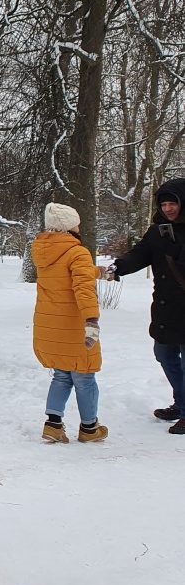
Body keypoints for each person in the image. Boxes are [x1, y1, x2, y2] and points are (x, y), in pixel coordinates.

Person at [109, 179, 185, 434]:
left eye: (172, 203)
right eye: (163, 204)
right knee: (164, 355)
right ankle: (182, 403)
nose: (168, 208)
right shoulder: (158, 230)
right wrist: (119, 266)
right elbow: (141, 253)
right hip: (165, 307)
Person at [32, 203, 107, 443]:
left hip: (49, 325)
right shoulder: (77, 252)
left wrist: (96, 271)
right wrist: (92, 319)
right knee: (84, 375)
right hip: (73, 325)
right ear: (69, 226)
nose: (79, 226)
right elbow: (82, 288)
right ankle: (89, 428)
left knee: (62, 375)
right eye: (77, 222)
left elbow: (66, 275)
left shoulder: (44, 251)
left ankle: (53, 425)